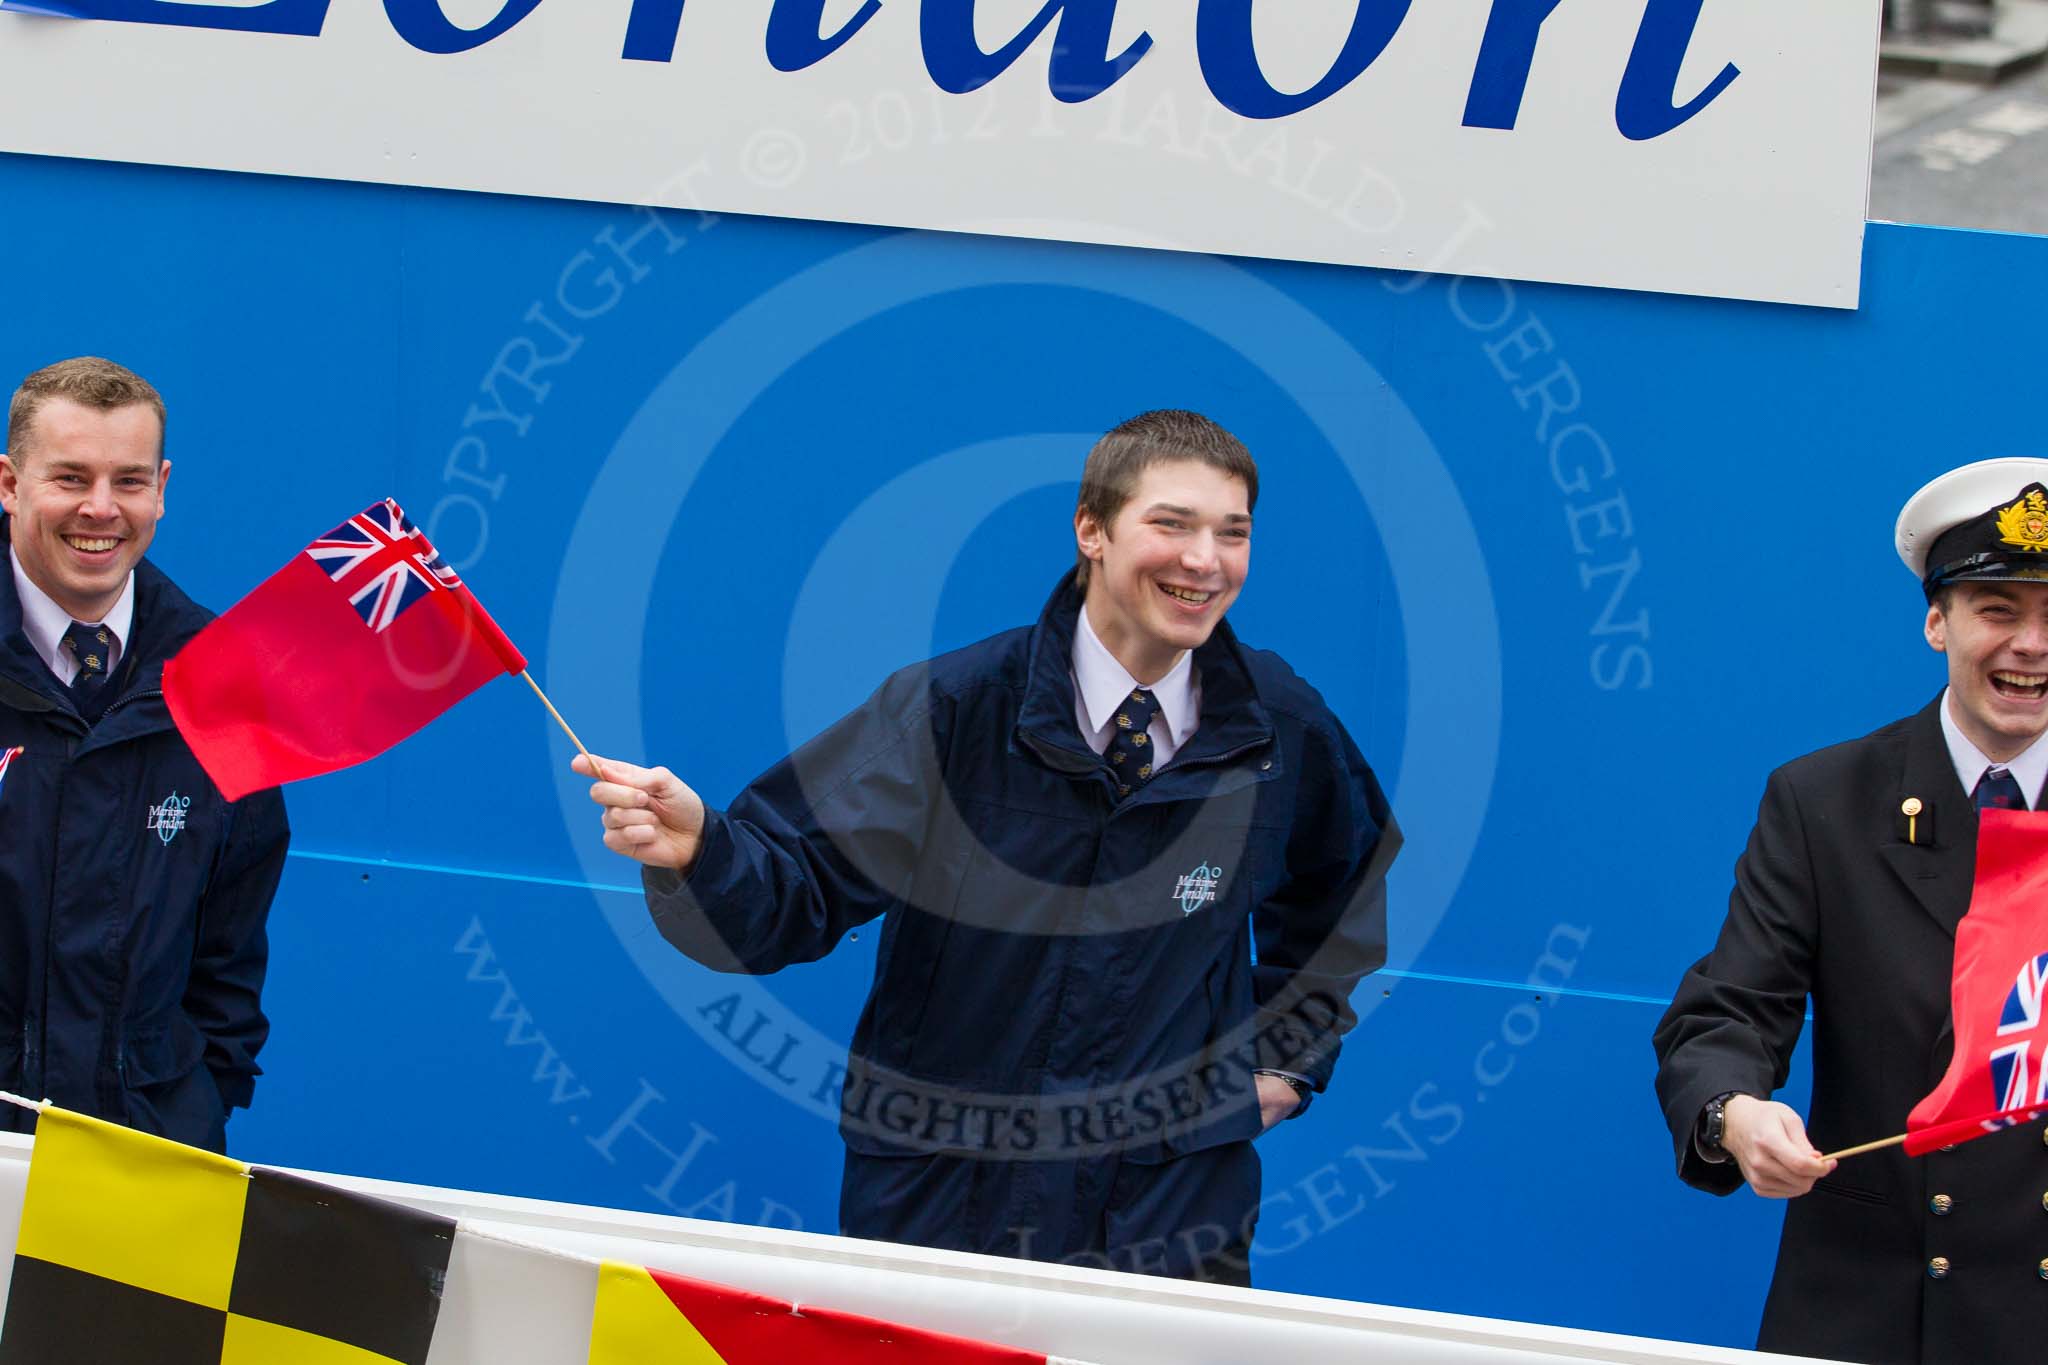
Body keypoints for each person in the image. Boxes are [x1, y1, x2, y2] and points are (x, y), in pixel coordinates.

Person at [579, 410, 1397, 1284]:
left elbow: (1342, 889)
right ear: (1092, 529)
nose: (1206, 559)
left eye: (1232, 533)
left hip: (1169, 1217)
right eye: (1172, 523)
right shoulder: (956, 710)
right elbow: (792, 891)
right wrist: (704, 853)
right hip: (946, 1206)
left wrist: (1286, 1057)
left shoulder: (1279, 727)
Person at [1653, 457, 2048, 1365]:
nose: (2030, 643)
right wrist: (1735, 1115)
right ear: (1936, 621)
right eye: (1998, 610)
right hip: (1874, 1310)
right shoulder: (1825, 800)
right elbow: (1728, 1011)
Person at [0, 356, 288, 1153]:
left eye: (128, 480)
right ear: (9, 483)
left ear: (161, 486)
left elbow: (232, 938)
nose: (100, 509)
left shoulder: (221, 678)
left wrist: (200, 1104)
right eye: (69, 477)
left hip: (149, 1155)